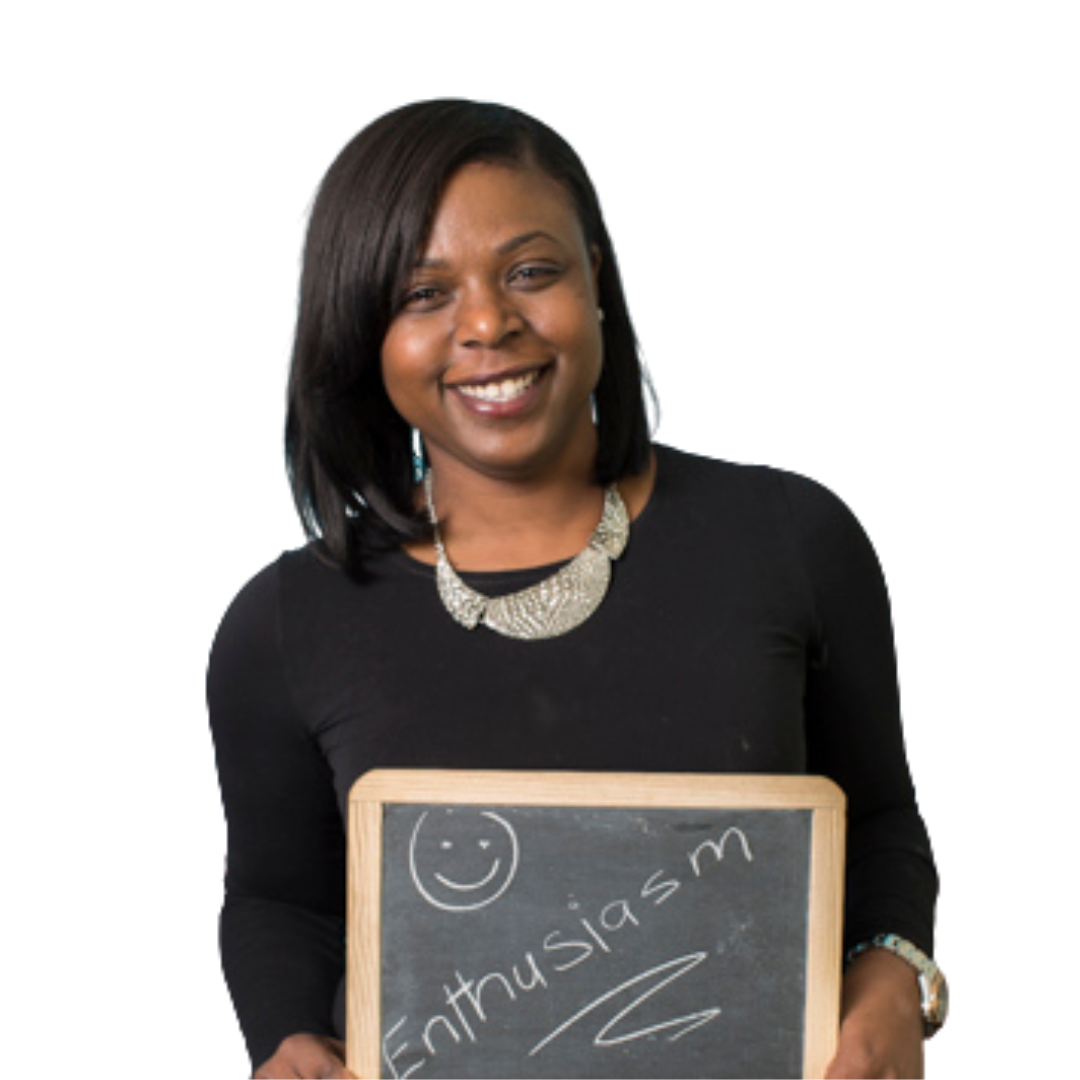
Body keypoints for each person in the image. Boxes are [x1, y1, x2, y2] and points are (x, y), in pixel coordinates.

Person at [207, 99, 944, 1079]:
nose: (487, 324)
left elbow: (879, 818)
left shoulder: (792, 542)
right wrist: (289, 1039)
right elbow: (280, 897)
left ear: (595, 276)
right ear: (363, 329)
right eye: (423, 294)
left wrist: (895, 972)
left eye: (530, 272)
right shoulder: (285, 625)